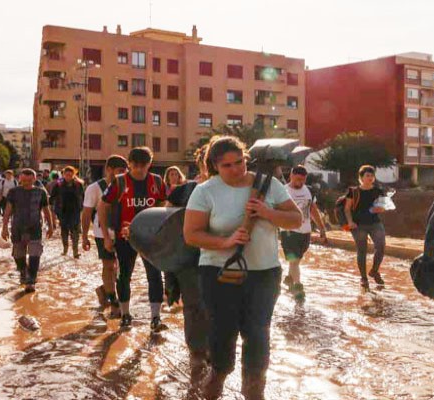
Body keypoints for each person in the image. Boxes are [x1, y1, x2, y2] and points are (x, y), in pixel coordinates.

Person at [184, 136, 301, 400]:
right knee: (223, 335)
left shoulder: (269, 185)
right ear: (215, 166)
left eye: (240, 162)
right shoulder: (205, 191)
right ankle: (216, 381)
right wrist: (226, 241)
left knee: (258, 336)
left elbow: (296, 219)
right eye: (227, 166)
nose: (236, 169)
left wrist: (267, 212)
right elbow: (191, 235)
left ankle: (254, 391)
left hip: (264, 273)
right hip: (218, 273)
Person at [98, 147, 168, 331]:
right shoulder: (119, 182)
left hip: (150, 239)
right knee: (124, 276)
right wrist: (106, 236)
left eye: (143, 165)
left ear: (149, 164)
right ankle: (125, 314)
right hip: (124, 237)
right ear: (129, 164)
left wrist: (160, 229)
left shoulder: (158, 181)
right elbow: (103, 206)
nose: (138, 169)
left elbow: (163, 204)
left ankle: (156, 318)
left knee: (154, 276)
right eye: (134, 165)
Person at [164, 146, 211, 386]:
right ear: (202, 164)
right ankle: (197, 353)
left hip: (225, 258)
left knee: (220, 307)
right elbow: (168, 227)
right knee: (193, 306)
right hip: (190, 259)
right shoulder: (182, 192)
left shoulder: (237, 191)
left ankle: (215, 349)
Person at [81, 155, 128, 318]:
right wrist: (84, 236)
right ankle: (113, 302)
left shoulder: (126, 186)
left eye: (125, 171)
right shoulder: (94, 188)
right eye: (119, 171)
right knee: (109, 266)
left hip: (124, 233)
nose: (123, 174)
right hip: (102, 233)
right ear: (109, 170)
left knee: (121, 269)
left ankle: (105, 290)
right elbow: (86, 213)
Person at [1, 169, 54, 293]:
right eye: (24, 180)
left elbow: (46, 210)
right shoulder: (13, 192)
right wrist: (4, 227)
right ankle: (23, 271)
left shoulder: (41, 192)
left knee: (35, 254)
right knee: (18, 255)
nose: (26, 183)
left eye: (29, 181)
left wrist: (51, 226)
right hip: (17, 227)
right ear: (20, 179)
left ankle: (31, 281)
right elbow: (8, 211)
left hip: (35, 227)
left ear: (34, 179)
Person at [281, 165, 328, 299]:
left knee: (296, 260)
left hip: (305, 231)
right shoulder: (283, 191)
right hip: (288, 231)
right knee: (294, 260)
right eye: (296, 179)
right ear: (291, 176)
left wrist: (322, 228)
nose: (299, 183)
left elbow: (313, 210)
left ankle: (290, 278)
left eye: (302, 180)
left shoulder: (309, 191)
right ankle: (298, 286)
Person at [344, 165, 388, 289]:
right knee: (362, 250)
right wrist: (350, 222)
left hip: (375, 223)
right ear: (361, 177)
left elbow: (384, 206)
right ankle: (363, 278)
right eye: (367, 175)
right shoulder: (353, 192)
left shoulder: (378, 191)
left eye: (372, 175)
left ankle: (374, 271)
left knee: (381, 246)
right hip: (358, 225)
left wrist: (381, 208)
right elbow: (347, 209)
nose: (370, 178)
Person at [50, 166, 85, 258]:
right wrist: (52, 207)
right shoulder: (59, 184)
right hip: (63, 212)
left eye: (70, 174)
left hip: (75, 211)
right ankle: (65, 248)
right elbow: (52, 196)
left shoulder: (78, 185)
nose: (68, 176)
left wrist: (83, 207)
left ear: (73, 175)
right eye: (66, 174)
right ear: (63, 174)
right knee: (64, 232)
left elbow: (83, 196)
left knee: (75, 232)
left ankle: (75, 251)